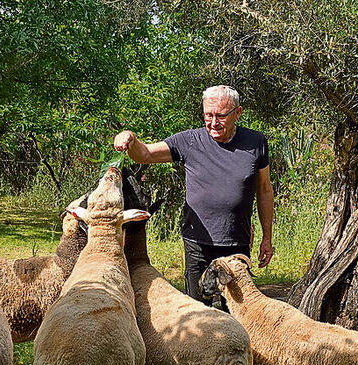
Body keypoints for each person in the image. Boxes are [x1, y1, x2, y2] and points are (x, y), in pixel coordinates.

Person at [113, 85, 275, 305]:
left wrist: (267, 237)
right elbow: (145, 154)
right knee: (198, 310)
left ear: (237, 113)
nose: (213, 122)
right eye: (208, 115)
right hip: (197, 242)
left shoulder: (256, 143)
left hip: (236, 243)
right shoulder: (189, 141)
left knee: (238, 311)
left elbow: (264, 189)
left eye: (220, 115)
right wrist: (130, 138)